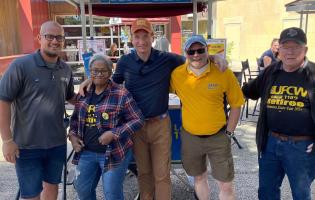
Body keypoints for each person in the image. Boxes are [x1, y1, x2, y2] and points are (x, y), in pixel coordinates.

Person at [79, 18, 227, 200]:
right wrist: (91, 80)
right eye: (137, 36)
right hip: (136, 127)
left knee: (162, 174)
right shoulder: (125, 61)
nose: (141, 41)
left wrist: (213, 57)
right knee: (144, 172)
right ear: (132, 39)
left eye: (145, 36)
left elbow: (193, 58)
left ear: (152, 36)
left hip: (160, 124)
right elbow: (111, 85)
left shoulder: (166, 58)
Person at [0, 21, 76, 200]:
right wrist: (7, 140)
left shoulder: (65, 69)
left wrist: (93, 88)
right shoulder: (21, 66)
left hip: (56, 144)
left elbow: (71, 97)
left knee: (52, 188)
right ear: (39, 38)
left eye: (59, 37)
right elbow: (3, 100)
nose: (55, 41)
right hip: (27, 146)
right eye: (49, 36)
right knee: (31, 194)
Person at [242, 27, 315, 200]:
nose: (290, 52)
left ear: (305, 49)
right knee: (267, 192)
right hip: (271, 144)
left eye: (295, 47)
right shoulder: (270, 72)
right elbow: (247, 91)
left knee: (301, 194)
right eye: (285, 46)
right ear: (278, 49)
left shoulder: (313, 74)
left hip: (302, 147)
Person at [171, 35, 244, 200]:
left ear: (207, 50)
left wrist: (230, 133)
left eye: (200, 50)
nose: (196, 55)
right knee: (198, 177)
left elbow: (236, 104)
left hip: (218, 136)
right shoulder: (177, 75)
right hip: (191, 137)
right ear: (186, 53)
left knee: (225, 183)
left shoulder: (223, 72)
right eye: (191, 51)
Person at [68, 54, 144, 200]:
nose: (99, 74)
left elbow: (138, 120)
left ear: (110, 72)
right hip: (86, 152)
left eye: (103, 71)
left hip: (113, 152)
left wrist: (114, 133)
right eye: (95, 71)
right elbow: (75, 120)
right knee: (82, 190)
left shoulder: (121, 94)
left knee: (112, 194)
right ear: (90, 72)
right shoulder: (84, 93)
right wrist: (72, 136)